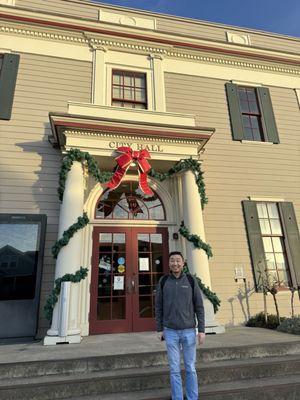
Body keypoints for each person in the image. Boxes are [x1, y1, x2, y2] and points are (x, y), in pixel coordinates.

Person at [155, 251, 205, 400]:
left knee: (190, 368)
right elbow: (158, 306)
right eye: (172, 261)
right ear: (169, 263)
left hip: (189, 331)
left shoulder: (190, 280)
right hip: (170, 332)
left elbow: (199, 306)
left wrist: (201, 330)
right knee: (174, 370)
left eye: (178, 261)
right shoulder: (163, 281)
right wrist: (159, 328)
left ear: (183, 263)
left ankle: (192, 398)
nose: (175, 263)